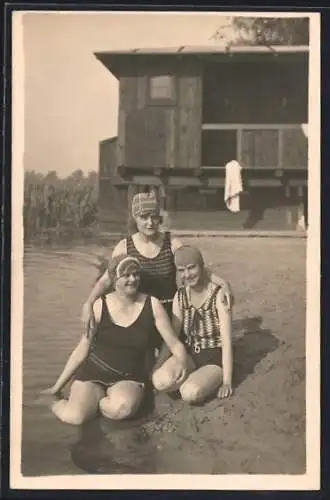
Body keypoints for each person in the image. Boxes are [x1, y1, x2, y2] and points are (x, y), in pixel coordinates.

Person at [81, 191, 234, 359]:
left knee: (170, 362)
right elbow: (106, 280)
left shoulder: (171, 243)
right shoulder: (124, 247)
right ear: (135, 218)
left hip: (170, 314)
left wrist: (223, 283)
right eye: (144, 217)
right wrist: (89, 303)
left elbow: (193, 267)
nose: (150, 223)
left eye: (154, 217)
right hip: (142, 313)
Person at [41, 255, 189, 425]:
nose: (133, 279)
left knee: (121, 409)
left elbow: (173, 343)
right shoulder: (99, 305)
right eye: (126, 275)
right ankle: (55, 403)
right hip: (93, 373)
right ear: (114, 279)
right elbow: (83, 348)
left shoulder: (152, 304)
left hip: (129, 377)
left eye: (136, 274)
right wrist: (57, 387)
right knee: (75, 417)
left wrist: (181, 363)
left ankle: (96, 404)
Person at [152, 245, 233, 404]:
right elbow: (172, 337)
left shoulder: (218, 295)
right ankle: (193, 376)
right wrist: (158, 365)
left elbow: (226, 341)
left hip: (213, 358)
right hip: (190, 355)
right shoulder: (180, 296)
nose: (187, 274)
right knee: (159, 380)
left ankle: (206, 379)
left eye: (191, 268)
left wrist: (227, 381)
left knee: (189, 393)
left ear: (201, 266)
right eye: (182, 270)